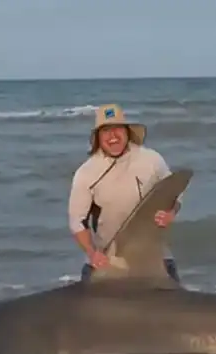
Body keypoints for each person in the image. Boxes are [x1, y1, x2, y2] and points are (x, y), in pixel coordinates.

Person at [68, 103, 183, 282]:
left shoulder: (151, 159)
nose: (113, 136)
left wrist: (171, 212)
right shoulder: (87, 173)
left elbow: (174, 192)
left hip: (155, 257)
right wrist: (93, 253)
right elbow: (77, 221)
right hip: (107, 261)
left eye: (117, 129)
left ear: (127, 131)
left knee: (178, 308)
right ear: (98, 137)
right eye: (106, 130)